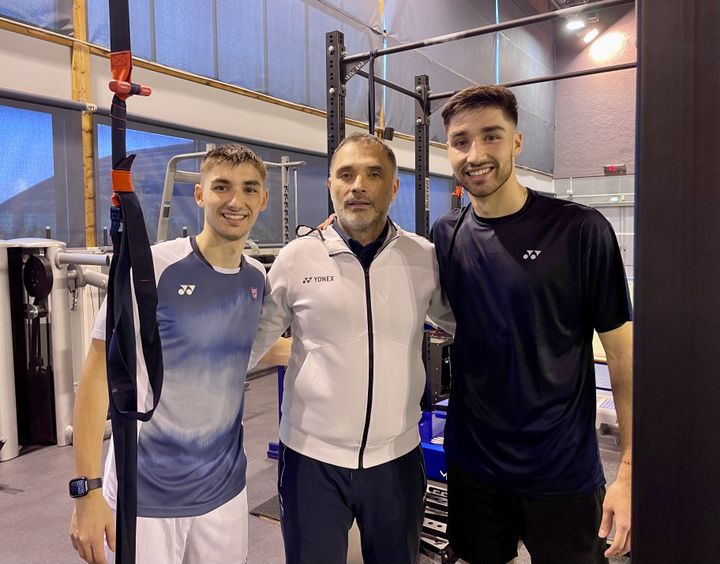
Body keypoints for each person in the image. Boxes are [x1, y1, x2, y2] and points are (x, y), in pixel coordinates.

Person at [431, 85, 633, 564]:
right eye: (461, 141)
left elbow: (624, 360)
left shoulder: (581, 230)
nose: (475, 154)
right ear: (448, 149)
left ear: (517, 143)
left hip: (560, 469)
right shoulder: (446, 233)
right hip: (474, 464)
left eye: (491, 137)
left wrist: (629, 469)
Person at [68, 143, 288, 564]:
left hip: (224, 492)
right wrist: (86, 492)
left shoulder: (256, 277)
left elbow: (244, 349)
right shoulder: (152, 269)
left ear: (263, 198)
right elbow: (97, 375)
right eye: (221, 186)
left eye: (248, 189)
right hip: (146, 495)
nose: (235, 201)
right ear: (200, 194)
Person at [248, 132, 454, 564]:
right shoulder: (296, 258)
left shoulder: (424, 259)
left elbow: (469, 326)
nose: (358, 184)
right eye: (346, 174)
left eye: (373, 174)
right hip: (311, 462)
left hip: (396, 460)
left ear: (394, 186)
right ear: (330, 185)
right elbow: (247, 345)